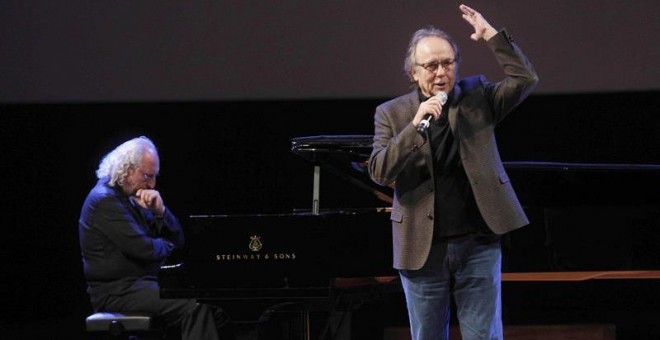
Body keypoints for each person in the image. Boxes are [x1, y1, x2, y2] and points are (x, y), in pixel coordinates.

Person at [368, 4, 538, 340]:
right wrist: (415, 126)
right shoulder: (392, 113)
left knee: (484, 336)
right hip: (421, 248)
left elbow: (525, 79)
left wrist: (492, 37)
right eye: (431, 66)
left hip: (477, 242)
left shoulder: (477, 96)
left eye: (448, 63)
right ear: (413, 72)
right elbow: (379, 170)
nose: (441, 72)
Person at [79, 136, 234, 339]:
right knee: (197, 307)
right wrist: (167, 245)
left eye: (154, 176)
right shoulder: (105, 201)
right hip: (118, 292)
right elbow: (147, 250)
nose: (152, 184)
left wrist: (160, 211)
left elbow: (178, 240)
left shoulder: (131, 196)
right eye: (147, 176)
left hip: (142, 285)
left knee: (217, 309)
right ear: (127, 170)